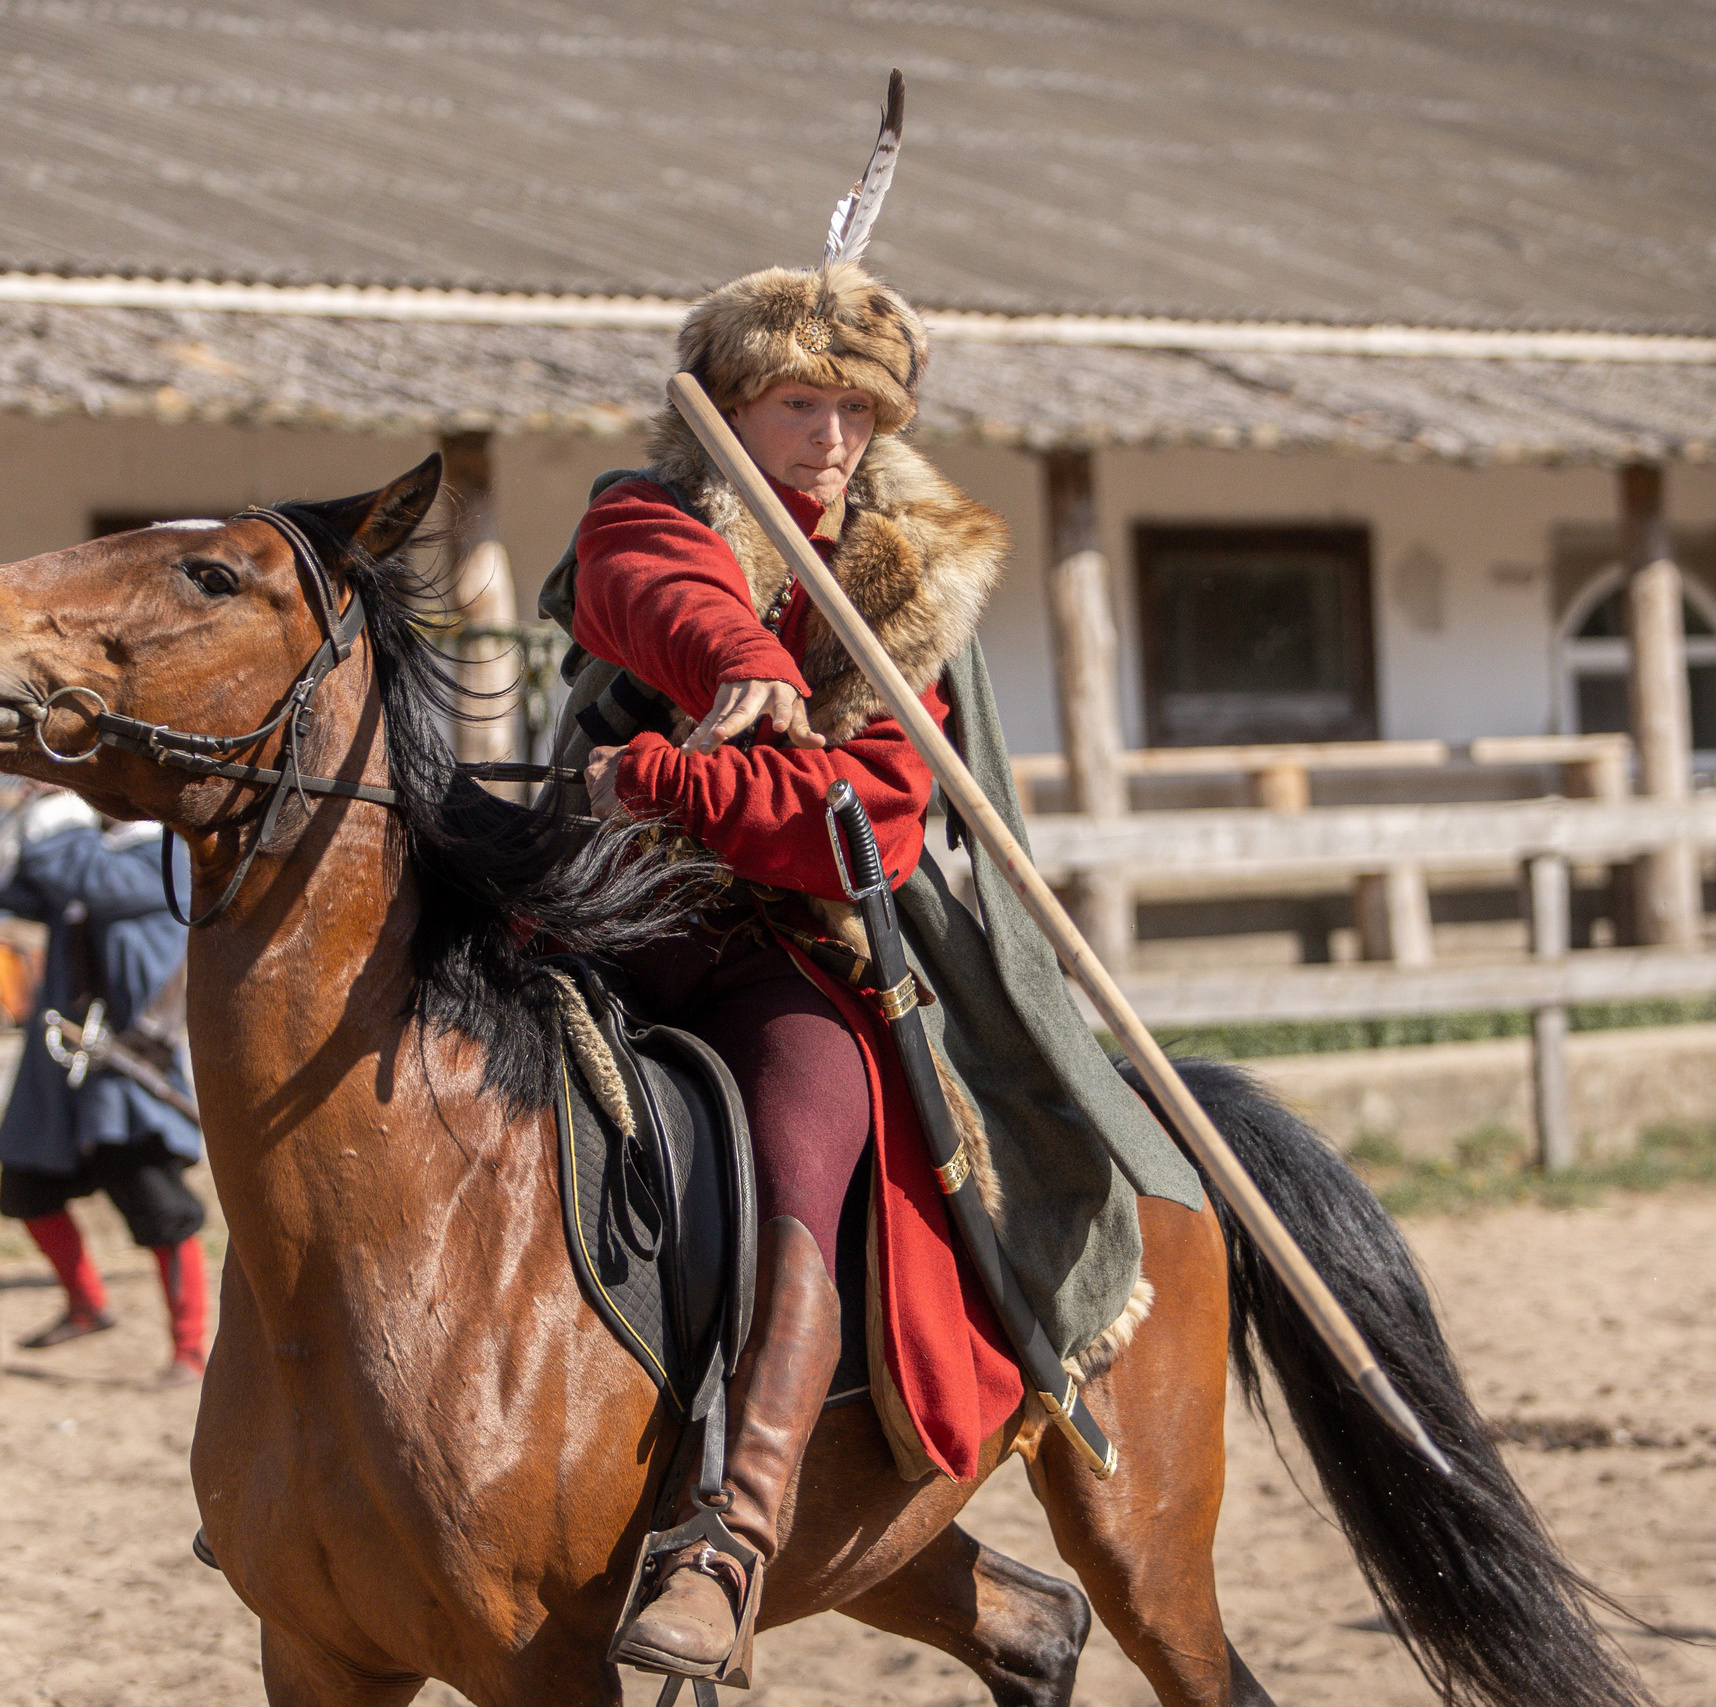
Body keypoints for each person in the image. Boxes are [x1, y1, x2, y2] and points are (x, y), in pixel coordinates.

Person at [538, 151, 1190, 1678]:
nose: (827, 442)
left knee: (803, 1138)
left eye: (854, 414)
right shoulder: (650, 518)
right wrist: (729, 664)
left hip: (781, 956)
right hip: (586, 919)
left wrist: (651, 774)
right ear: (724, 413)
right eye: (795, 409)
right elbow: (644, 583)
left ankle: (729, 1532)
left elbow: (860, 830)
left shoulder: (910, 593)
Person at [0, 787, 209, 1384]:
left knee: (160, 1209)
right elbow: (5, 888)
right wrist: (17, 822)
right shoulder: (84, 858)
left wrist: (55, 816)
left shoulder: (167, 855)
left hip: (130, 1061)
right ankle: (85, 1305)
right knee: (26, 1190)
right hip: (60, 1066)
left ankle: (191, 1347)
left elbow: (87, 879)